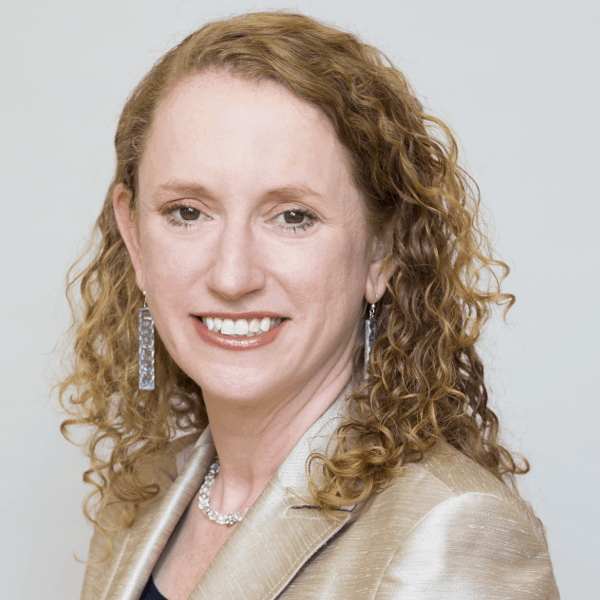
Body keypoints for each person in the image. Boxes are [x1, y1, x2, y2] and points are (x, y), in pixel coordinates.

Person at [58, 10, 559, 600]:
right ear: (135, 237)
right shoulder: (141, 495)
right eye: (187, 211)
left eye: (293, 216)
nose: (232, 275)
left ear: (381, 250)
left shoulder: (447, 530)